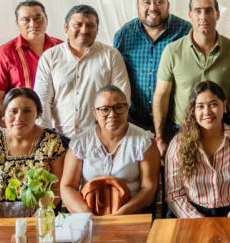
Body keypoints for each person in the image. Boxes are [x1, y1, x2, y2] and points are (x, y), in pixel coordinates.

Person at [153, 0, 230, 153]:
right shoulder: (172, 51)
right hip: (182, 130)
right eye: (198, 11)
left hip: (222, 130)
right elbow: (161, 94)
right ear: (190, 14)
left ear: (217, 14)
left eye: (208, 10)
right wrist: (159, 137)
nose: (203, 16)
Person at [34, 4, 131, 138]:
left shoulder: (111, 56)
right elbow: (42, 100)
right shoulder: (50, 57)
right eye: (78, 24)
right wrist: (44, 138)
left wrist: (111, 136)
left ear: (97, 29)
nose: (84, 30)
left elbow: (122, 99)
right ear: (66, 27)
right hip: (60, 138)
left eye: (90, 25)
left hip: (99, 138)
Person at [164, 81, 230, 218]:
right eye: (200, 107)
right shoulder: (178, 144)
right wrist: (196, 219)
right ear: (193, 111)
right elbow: (174, 194)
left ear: (224, 106)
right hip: (190, 212)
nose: (207, 112)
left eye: (213, 104)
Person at [62, 85, 160, 214]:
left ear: (127, 109)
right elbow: (67, 187)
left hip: (130, 215)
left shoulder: (144, 142)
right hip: (88, 216)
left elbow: (148, 189)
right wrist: (88, 216)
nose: (112, 114)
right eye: (104, 109)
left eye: (119, 107)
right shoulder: (80, 143)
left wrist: (119, 216)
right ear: (95, 113)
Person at [0, 88, 68, 218]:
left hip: (41, 217)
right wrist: (2, 225)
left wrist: (36, 219)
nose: (19, 117)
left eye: (27, 111)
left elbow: (57, 189)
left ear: (38, 114)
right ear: (3, 114)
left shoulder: (52, 142)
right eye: (13, 111)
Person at [113, 0, 192, 131]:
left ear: (168, 5)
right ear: (137, 7)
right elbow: (115, 77)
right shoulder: (124, 35)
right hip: (134, 121)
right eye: (147, 2)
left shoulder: (186, 32)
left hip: (174, 122)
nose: (153, 7)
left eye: (159, 1)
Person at [0, 0, 63, 130]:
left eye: (38, 17)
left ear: (46, 19)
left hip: (59, 124)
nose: (33, 24)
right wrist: (1, 133)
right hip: (21, 125)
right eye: (25, 19)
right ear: (17, 23)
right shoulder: (5, 53)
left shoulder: (61, 48)